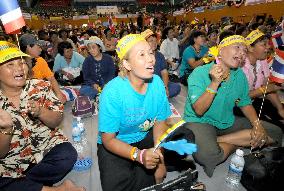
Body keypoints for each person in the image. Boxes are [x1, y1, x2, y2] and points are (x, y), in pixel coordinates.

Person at [97, 34, 194, 191]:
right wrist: (139, 155)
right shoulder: (112, 92)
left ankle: (148, 164)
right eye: (141, 55)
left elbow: (160, 122)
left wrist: (159, 161)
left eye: (150, 52)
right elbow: (108, 140)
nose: (150, 59)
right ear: (127, 64)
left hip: (144, 136)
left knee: (187, 137)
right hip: (118, 142)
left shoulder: (156, 83)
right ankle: (141, 165)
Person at [183, 34, 282, 177]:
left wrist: (257, 124)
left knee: (276, 133)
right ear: (221, 51)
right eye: (237, 48)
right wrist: (215, 82)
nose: (242, 53)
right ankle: (239, 141)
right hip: (200, 121)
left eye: (244, 51)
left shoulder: (239, 75)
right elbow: (199, 110)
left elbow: (245, 103)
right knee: (208, 156)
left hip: (226, 121)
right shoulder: (200, 73)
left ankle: (221, 140)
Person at [0, 41, 84, 191]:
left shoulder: (40, 86)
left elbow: (56, 120)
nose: (19, 68)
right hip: (10, 160)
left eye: (21, 63)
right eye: (10, 65)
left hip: (45, 149)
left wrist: (41, 112)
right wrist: (6, 130)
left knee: (67, 155)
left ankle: (22, 185)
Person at [241, 29, 284, 128]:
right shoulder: (240, 67)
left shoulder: (262, 60)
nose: (269, 46)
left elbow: (267, 87)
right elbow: (240, 98)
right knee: (277, 128)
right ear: (250, 48)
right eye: (264, 44)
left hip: (255, 100)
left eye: (268, 43)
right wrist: (267, 89)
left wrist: (280, 109)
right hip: (240, 107)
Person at [19, 33, 66, 104]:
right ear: (29, 47)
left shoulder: (40, 60)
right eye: (38, 46)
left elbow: (51, 78)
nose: (41, 49)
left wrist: (59, 94)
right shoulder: (18, 64)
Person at [141, 29, 181, 98]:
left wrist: (165, 87)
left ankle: (157, 95)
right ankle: (157, 96)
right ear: (144, 43)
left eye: (155, 40)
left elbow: (164, 72)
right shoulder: (140, 57)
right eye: (151, 41)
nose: (154, 43)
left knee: (176, 87)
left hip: (159, 83)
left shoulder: (160, 55)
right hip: (146, 84)